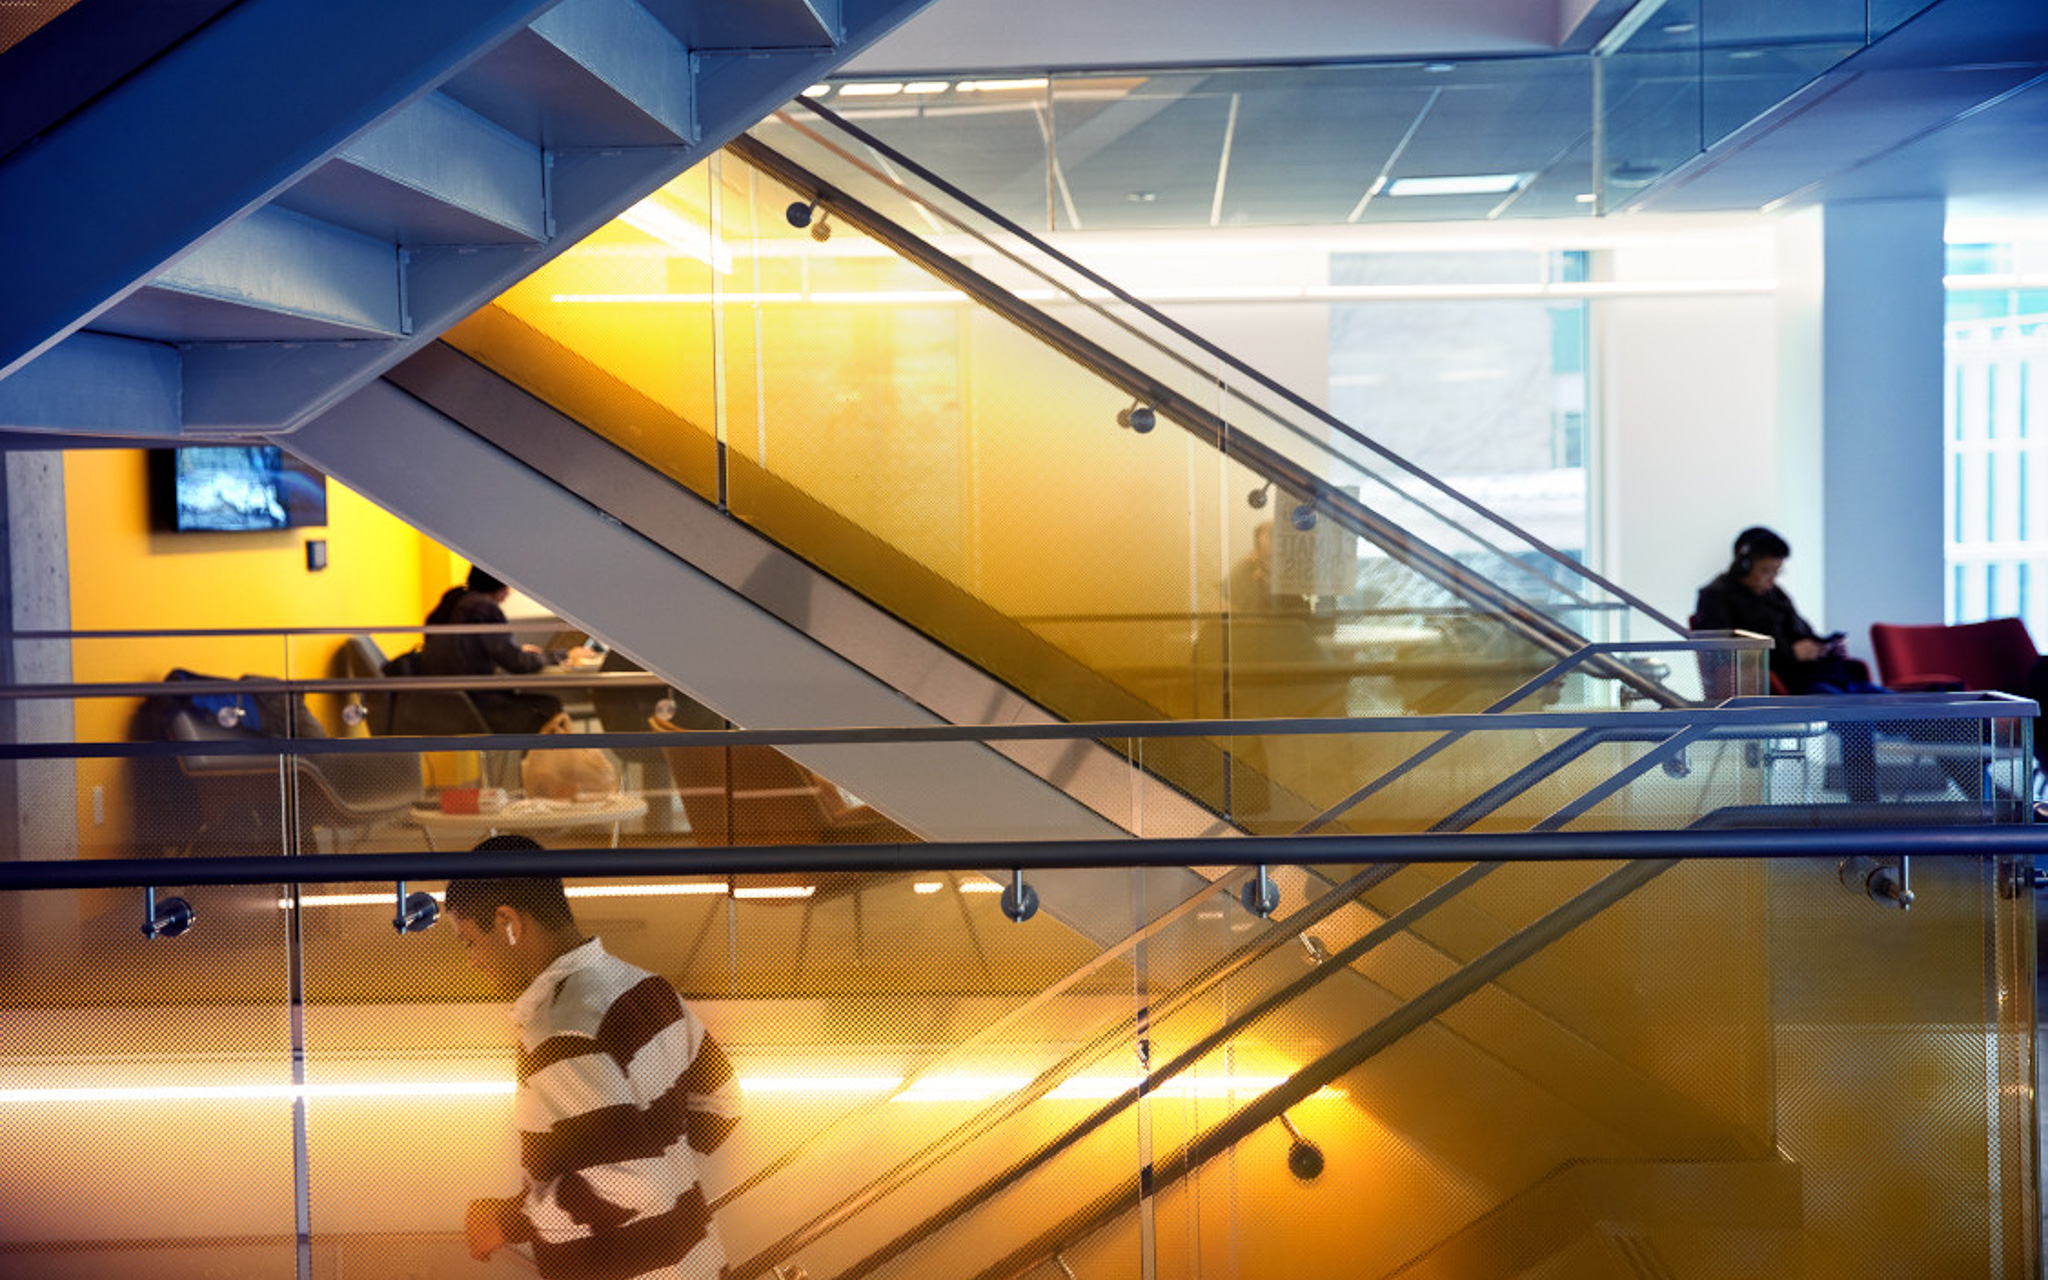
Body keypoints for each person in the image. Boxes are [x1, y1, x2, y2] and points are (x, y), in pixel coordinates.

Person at [447, 856, 742, 1280]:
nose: (472, 961)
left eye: (469, 941)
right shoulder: (644, 986)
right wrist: (660, 1157)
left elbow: (630, 1183)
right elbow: (724, 1102)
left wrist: (507, 1222)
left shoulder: (558, 1033)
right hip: (697, 1262)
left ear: (507, 921)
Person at [1695, 526, 1888, 802]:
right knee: (1856, 718)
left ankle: (1968, 787)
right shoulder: (1716, 597)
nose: (1771, 579)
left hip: (1823, 675)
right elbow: (1726, 654)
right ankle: (1869, 811)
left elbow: (1802, 632)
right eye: (1766, 570)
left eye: (1776, 571)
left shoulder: (1775, 595)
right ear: (1744, 564)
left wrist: (1824, 645)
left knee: (1905, 707)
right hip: (1792, 685)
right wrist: (1791, 653)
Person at [419, 565, 573, 735]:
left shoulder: (455, 599)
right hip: (479, 704)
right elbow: (517, 664)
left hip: (451, 701)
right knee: (549, 706)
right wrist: (560, 655)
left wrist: (515, 651)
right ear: (498, 583)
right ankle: (541, 761)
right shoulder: (484, 607)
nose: (509, 593)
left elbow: (466, 651)